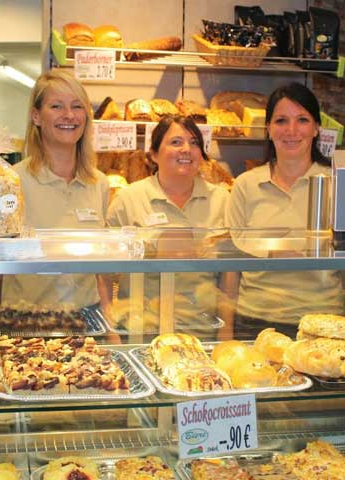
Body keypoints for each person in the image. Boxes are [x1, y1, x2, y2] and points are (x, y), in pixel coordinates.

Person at [226, 82, 344, 339]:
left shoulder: (338, 184)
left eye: (302, 120)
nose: (291, 130)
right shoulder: (246, 184)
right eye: (281, 121)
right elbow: (230, 264)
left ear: (316, 128)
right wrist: (226, 329)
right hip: (255, 320)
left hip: (324, 322)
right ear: (268, 129)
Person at [104, 115, 230, 339]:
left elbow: (231, 272)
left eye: (194, 143)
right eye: (176, 142)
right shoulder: (128, 199)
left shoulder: (221, 199)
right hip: (139, 332)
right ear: (153, 154)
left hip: (201, 332)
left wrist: (226, 332)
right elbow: (104, 273)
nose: (186, 149)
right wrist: (110, 331)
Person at [1, 68, 110, 310]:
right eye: (57, 106)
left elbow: (101, 269)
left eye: (77, 106)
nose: (69, 115)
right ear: (36, 116)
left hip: (87, 323)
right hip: (27, 324)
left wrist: (110, 329)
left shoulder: (99, 184)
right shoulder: (12, 182)